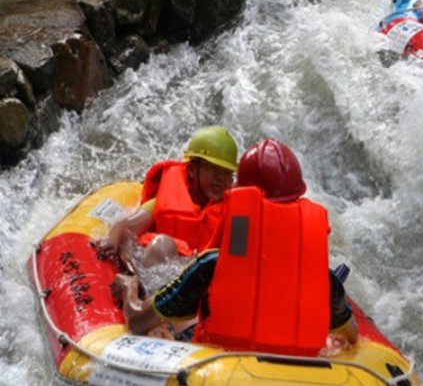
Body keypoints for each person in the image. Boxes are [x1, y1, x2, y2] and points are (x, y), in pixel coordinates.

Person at [111, 139, 358, 354]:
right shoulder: (322, 278)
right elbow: (351, 335)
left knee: (178, 319)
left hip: (218, 365)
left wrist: (128, 288)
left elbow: (138, 321)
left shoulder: (212, 264)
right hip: (296, 368)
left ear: (244, 200)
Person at [95, 125, 238, 267]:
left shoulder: (231, 210)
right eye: (213, 169)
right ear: (192, 170)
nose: (221, 179)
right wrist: (112, 239)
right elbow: (126, 225)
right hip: (161, 274)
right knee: (163, 245)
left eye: (226, 173)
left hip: (202, 280)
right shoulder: (165, 200)